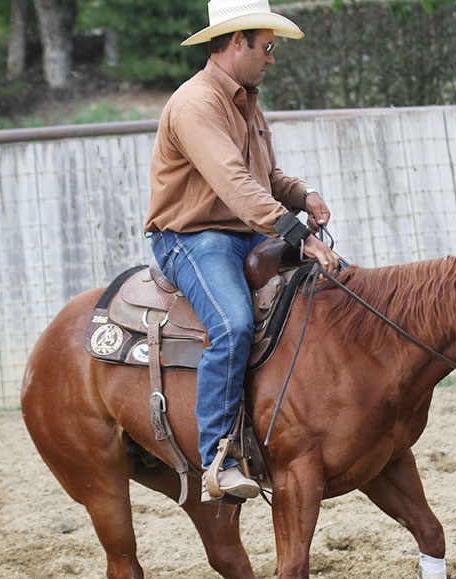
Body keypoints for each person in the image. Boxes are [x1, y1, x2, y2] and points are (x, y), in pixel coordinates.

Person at [145, 0, 340, 502]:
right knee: (232, 325)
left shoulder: (246, 99)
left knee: (331, 292)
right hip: (192, 238)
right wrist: (301, 235)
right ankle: (217, 457)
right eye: (267, 47)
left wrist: (301, 194)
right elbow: (234, 183)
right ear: (237, 43)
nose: (272, 59)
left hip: (245, 230)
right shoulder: (196, 104)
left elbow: (265, 177)